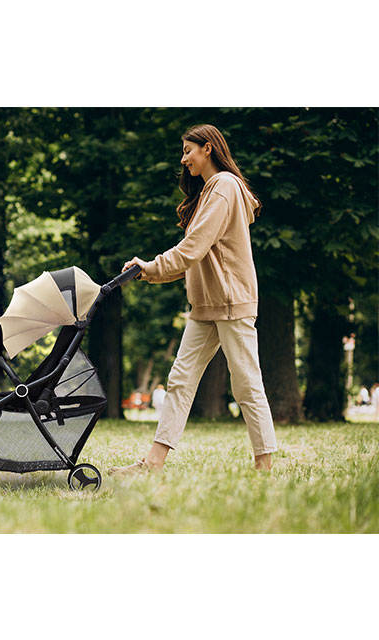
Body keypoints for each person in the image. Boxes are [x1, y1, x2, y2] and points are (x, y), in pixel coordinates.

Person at [110, 123, 278, 474]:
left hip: (231, 302)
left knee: (246, 383)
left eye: (188, 150)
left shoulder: (224, 187)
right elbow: (194, 257)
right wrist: (148, 271)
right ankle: (153, 463)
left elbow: (192, 248)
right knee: (180, 381)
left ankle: (264, 466)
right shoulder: (210, 191)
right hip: (206, 306)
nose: (183, 159)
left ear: (208, 149)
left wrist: (149, 267)